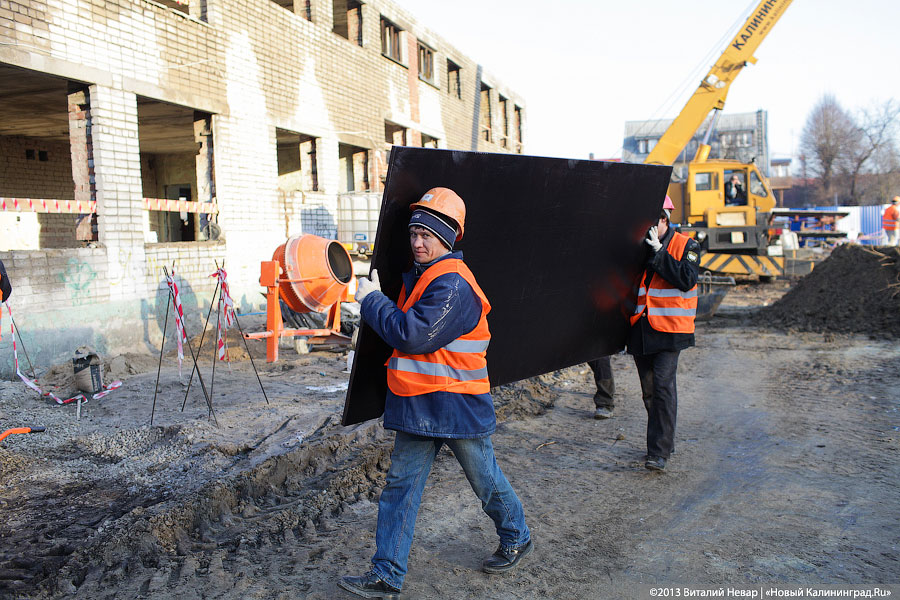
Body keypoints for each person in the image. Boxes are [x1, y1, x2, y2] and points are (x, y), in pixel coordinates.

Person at [340, 187, 532, 599]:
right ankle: (386, 574)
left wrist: (372, 301)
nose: (417, 242)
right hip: (419, 404)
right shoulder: (426, 278)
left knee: (485, 481)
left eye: (427, 235)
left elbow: (413, 335)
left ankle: (517, 534)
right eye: (413, 234)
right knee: (399, 490)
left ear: (448, 238)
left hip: (456, 405)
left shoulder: (453, 285)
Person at [627, 195, 700, 471]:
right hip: (642, 329)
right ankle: (664, 439)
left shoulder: (688, 245)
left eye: (651, 223)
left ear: (664, 220)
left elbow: (686, 278)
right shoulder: (639, 245)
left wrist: (659, 253)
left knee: (663, 388)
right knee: (649, 392)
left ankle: (658, 453)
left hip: (670, 331)